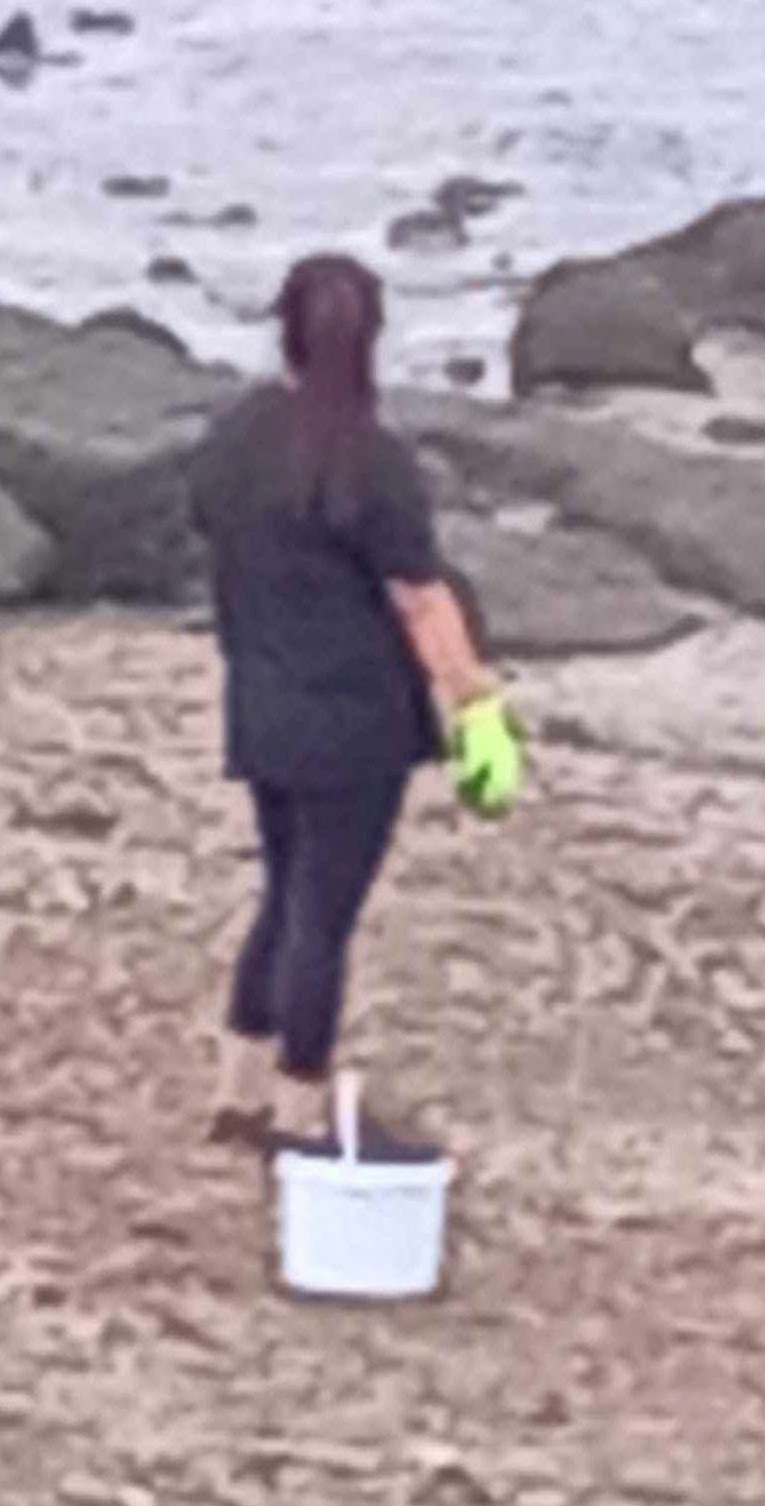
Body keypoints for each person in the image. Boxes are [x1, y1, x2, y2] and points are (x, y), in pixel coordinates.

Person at [188, 252, 522, 1148]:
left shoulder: (238, 438)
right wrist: (477, 709)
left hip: (261, 699)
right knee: (321, 917)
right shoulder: (373, 462)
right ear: (372, 340)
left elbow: (212, 528)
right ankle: (298, 1111)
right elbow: (419, 595)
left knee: (282, 891)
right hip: (357, 723)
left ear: (284, 332)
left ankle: (237, 1089)